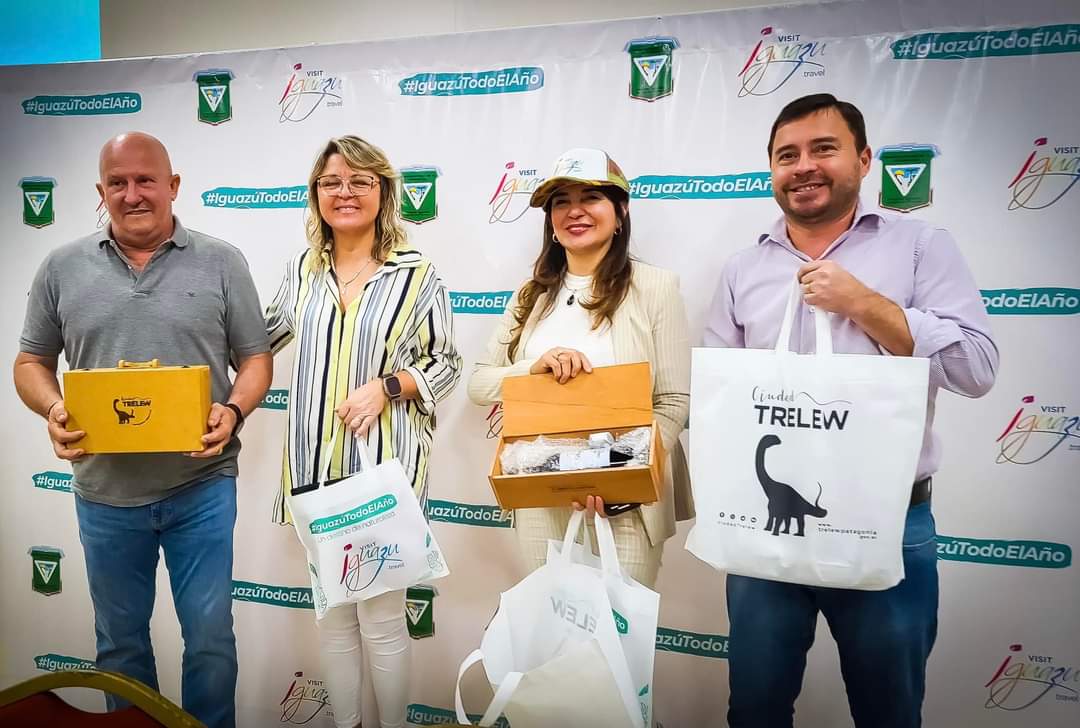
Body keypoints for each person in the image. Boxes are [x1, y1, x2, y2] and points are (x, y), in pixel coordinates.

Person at [703, 93, 999, 728]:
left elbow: (977, 370)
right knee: (754, 708)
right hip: (765, 527)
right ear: (772, 169)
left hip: (887, 519)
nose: (804, 166)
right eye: (787, 155)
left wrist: (866, 304)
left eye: (824, 149)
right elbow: (720, 400)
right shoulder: (743, 269)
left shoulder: (920, 247)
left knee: (888, 710)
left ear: (864, 160)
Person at [14, 132, 273, 728]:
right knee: (120, 643)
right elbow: (30, 363)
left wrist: (233, 410)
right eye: (118, 183)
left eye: (146, 180)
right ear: (100, 191)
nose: (133, 194)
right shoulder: (60, 267)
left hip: (202, 487)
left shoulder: (222, 261)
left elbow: (256, 358)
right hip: (104, 494)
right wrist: (53, 408)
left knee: (209, 639)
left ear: (173, 186)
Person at [264, 135, 461, 728]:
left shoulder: (416, 273)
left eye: (359, 181)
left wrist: (389, 386)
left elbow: (447, 362)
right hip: (313, 470)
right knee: (333, 618)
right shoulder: (302, 270)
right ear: (315, 194)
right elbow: (257, 340)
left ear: (383, 191)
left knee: (382, 619)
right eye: (331, 182)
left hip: (381, 471)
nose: (344, 192)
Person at [468, 147, 691, 589]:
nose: (575, 211)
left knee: (619, 629)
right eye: (561, 202)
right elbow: (479, 384)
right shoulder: (531, 295)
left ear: (620, 211)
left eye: (590, 198)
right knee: (547, 627)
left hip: (625, 502)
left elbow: (672, 401)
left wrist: (625, 476)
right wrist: (531, 368)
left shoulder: (655, 287)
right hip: (539, 490)